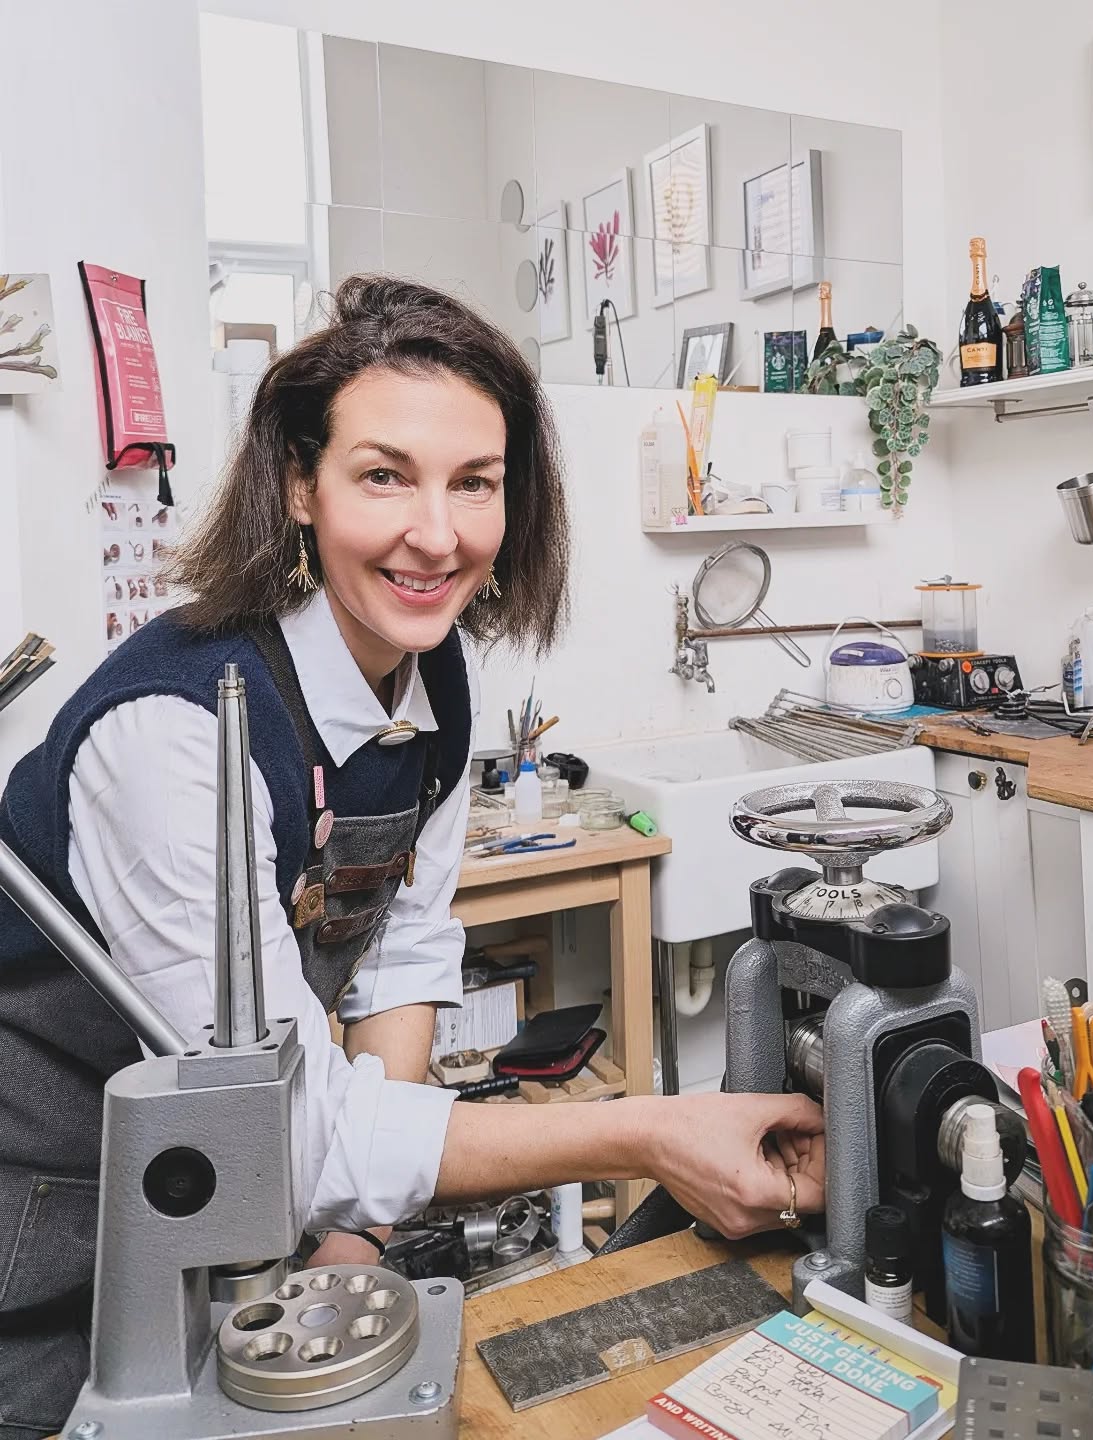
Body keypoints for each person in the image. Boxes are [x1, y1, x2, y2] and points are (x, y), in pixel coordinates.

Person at [0, 276, 825, 1437]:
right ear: (300, 484)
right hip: (46, 1231)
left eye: (474, 482)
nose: (437, 536)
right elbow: (278, 1128)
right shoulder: (174, 737)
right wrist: (648, 1131)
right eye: (384, 475)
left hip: (225, 1211)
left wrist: (357, 1235)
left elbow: (397, 951)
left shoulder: (432, 678)